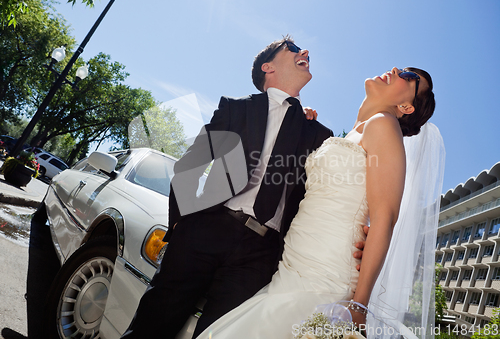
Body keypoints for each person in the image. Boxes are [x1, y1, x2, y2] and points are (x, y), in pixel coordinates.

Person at [121, 37, 368, 339]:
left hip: (261, 253)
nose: (305, 53)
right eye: (293, 49)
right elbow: (192, 164)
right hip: (205, 229)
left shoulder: (319, 134)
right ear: (268, 68)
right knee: (150, 328)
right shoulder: (236, 109)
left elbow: (318, 196)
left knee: (218, 334)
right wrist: (181, 225)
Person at [195, 66, 444, 338]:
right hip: (293, 263)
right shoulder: (357, 132)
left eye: (410, 78)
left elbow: (385, 217)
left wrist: (359, 305)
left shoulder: (384, 124)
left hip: (325, 273)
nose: (396, 70)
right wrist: (299, 122)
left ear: (406, 106)